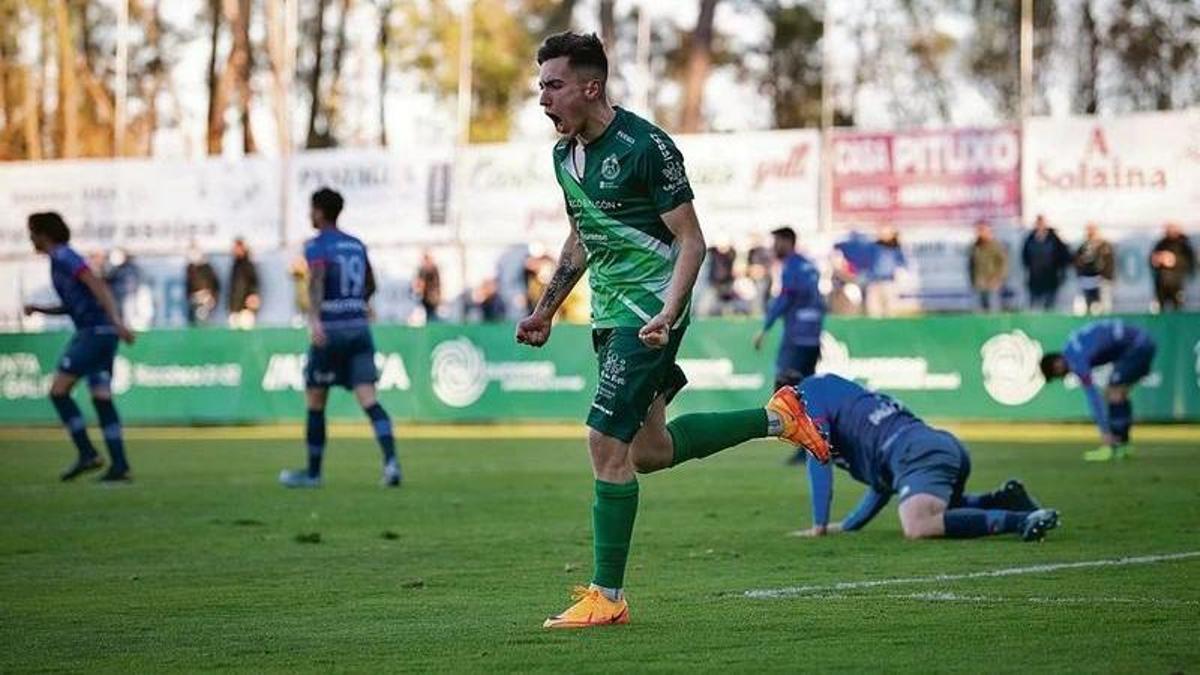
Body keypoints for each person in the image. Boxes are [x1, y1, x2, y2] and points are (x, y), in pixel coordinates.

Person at [518, 31, 826, 629]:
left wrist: (669, 307)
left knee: (604, 444)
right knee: (649, 452)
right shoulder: (565, 156)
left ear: (590, 86)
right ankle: (778, 418)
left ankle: (607, 597)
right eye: (540, 87)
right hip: (610, 314)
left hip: (648, 316)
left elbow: (692, 239)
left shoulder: (645, 146)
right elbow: (582, 236)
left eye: (552, 86)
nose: (542, 99)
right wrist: (546, 307)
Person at [790, 373, 1059, 542]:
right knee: (941, 511)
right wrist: (849, 525)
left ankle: (1022, 521)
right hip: (938, 445)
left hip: (916, 454)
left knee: (917, 524)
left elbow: (818, 457)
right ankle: (1002, 500)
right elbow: (883, 486)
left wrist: (819, 525)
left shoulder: (807, 396)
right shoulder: (852, 404)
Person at [279, 188, 402, 488]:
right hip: (359, 328)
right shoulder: (356, 244)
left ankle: (313, 473)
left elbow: (317, 280)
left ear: (319, 212)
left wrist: (315, 319)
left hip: (331, 330)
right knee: (370, 400)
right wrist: (357, 304)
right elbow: (371, 282)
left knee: (316, 400)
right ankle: (391, 463)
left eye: (311, 209)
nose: (310, 215)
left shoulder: (317, 246)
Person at [23, 212, 136, 482]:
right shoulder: (59, 259)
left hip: (94, 333)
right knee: (101, 397)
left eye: (32, 232)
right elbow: (75, 303)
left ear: (43, 234)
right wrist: (39, 309)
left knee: (58, 391)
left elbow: (97, 285)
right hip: (101, 333)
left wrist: (117, 321)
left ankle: (87, 453)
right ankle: (119, 465)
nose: (30, 238)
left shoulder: (64, 256)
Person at [753, 226, 824, 464]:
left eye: (777, 242)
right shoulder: (810, 265)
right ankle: (811, 445)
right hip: (812, 337)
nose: (774, 247)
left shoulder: (792, 267)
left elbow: (784, 299)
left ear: (787, 241)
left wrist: (765, 328)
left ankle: (805, 445)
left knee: (786, 387)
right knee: (806, 389)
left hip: (796, 336)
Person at [1039, 319, 1156, 462]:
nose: (1062, 376)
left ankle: (1114, 444)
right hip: (1142, 342)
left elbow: (1094, 398)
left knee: (1114, 391)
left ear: (1057, 364)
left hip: (1138, 346)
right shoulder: (1072, 347)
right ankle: (1123, 445)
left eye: (1057, 374)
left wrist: (1104, 432)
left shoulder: (1076, 359)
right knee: (1118, 392)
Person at [1021, 214, 1071, 311]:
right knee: (1034, 306)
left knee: (1049, 307)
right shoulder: (1030, 239)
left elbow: (1064, 256)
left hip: (1050, 278)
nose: (1040, 225)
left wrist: (1061, 272)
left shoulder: (1054, 239)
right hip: (1035, 279)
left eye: (1042, 223)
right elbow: (1025, 257)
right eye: (1038, 223)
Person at [1149, 222, 1195, 311]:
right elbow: (1152, 259)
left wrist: (1174, 260)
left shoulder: (1184, 244)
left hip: (1177, 283)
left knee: (1178, 308)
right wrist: (1156, 260)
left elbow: (1189, 262)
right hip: (1161, 283)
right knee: (1160, 308)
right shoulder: (1161, 243)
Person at [864, 225, 906, 318]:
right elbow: (866, 262)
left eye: (887, 233)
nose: (884, 235)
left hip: (889, 282)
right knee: (874, 311)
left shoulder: (895, 248)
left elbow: (902, 263)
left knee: (890, 309)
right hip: (874, 282)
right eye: (882, 233)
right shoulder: (873, 247)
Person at [1074, 222, 1115, 315]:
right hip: (1087, 279)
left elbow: (1109, 263)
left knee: (1103, 306)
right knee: (1084, 305)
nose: (1090, 234)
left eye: (1092, 231)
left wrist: (1106, 276)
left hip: (1101, 280)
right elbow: (1078, 261)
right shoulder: (1084, 247)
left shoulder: (1105, 246)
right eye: (1088, 231)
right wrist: (1080, 273)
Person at [968, 220, 1007, 313]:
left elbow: (1003, 263)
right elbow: (971, 265)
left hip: (992, 284)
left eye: (982, 230)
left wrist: (998, 279)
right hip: (978, 284)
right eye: (978, 230)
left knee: (993, 311)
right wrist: (972, 280)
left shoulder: (996, 245)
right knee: (979, 312)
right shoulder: (975, 246)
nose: (979, 233)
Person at [227, 238, 260, 329]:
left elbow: (254, 283)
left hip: (246, 308)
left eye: (238, 248)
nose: (235, 250)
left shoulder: (249, 265)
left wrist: (253, 297)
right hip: (234, 308)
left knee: (246, 332)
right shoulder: (235, 265)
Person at [185, 244, 220, 325]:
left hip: (206, 300)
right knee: (194, 322)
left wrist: (212, 297)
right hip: (194, 300)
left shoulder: (207, 268)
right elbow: (189, 287)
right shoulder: (190, 268)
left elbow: (215, 285)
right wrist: (190, 297)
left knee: (205, 322)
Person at [414, 250, 442, 322]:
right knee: (427, 315)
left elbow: (435, 284)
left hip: (432, 298)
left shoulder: (432, 269)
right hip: (425, 298)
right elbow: (419, 283)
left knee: (432, 315)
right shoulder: (423, 269)